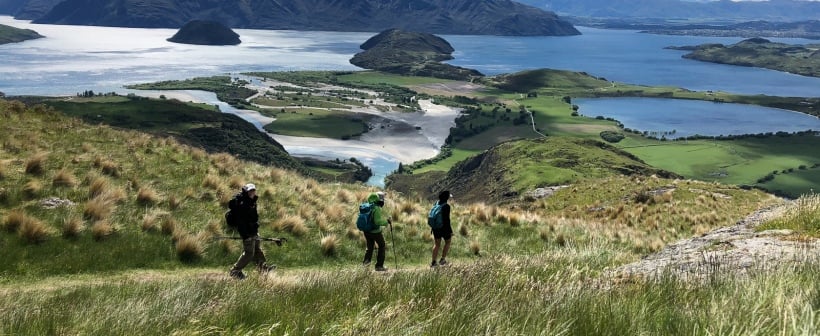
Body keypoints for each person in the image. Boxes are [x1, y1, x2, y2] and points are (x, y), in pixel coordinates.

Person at [229, 183, 275, 279]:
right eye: (250, 190)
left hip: (253, 230)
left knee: (257, 250)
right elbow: (240, 222)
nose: (252, 192)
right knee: (249, 253)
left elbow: (253, 217)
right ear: (246, 191)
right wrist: (245, 236)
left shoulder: (252, 201)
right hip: (247, 232)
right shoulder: (242, 204)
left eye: (253, 190)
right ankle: (235, 271)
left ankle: (263, 268)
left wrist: (255, 228)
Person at [362, 191, 391, 272]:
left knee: (369, 248)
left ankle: (365, 266)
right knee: (382, 245)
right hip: (375, 231)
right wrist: (386, 222)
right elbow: (377, 222)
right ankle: (379, 266)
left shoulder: (367, 206)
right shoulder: (376, 208)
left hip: (366, 231)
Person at [431, 190, 453, 267]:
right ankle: (442, 259)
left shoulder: (436, 204)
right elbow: (447, 220)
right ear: (447, 198)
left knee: (437, 244)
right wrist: (450, 231)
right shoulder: (446, 206)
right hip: (444, 228)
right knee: (448, 241)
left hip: (435, 228)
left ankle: (433, 262)